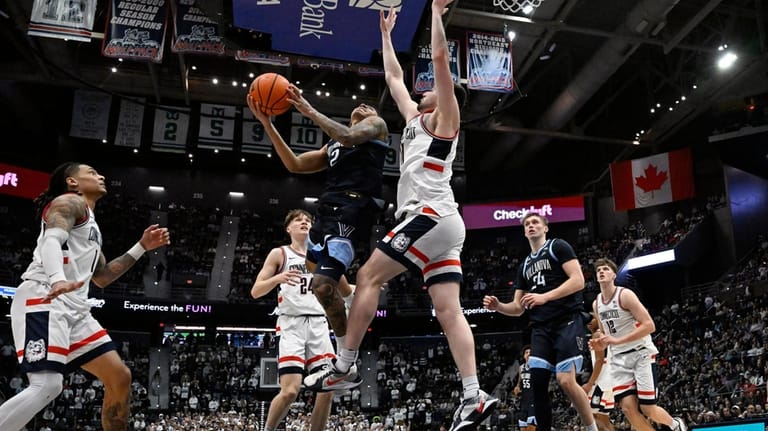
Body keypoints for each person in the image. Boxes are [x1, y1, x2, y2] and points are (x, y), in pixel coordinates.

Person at [304, 2, 498, 430]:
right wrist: (387, 36)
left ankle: (346, 364)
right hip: (443, 227)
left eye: (431, 87)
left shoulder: (447, 116)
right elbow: (393, 77)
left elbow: (443, 59)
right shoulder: (413, 117)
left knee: (370, 276)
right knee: (448, 311)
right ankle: (473, 395)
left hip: (430, 214)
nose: (423, 88)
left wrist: (435, 13)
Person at [0, 162, 170, 431]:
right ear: (72, 183)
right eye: (91, 172)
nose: (100, 175)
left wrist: (141, 247)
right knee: (48, 385)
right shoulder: (69, 203)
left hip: (75, 308)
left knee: (119, 376)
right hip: (44, 295)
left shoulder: (91, 226)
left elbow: (102, 277)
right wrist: (58, 279)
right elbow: (51, 241)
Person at [247, 80, 389, 380]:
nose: (364, 106)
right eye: (359, 106)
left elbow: (350, 136)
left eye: (369, 105)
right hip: (326, 210)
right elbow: (295, 164)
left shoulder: (375, 126)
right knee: (320, 276)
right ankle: (351, 302)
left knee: (322, 284)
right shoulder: (333, 145)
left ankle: (346, 360)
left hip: (354, 208)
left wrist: (307, 108)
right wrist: (267, 123)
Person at [482, 212, 596, 431]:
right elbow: (517, 308)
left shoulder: (558, 246)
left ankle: (592, 429)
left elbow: (579, 281)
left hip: (567, 320)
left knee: (565, 380)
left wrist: (545, 297)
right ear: (524, 232)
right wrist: (498, 307)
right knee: (537, 384)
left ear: (546, 228)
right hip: (541, 327)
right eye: (527, 224)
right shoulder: (524, 265)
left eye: (535, 222)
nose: (531, 225)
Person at [250, 209, 334, 431]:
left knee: (327, 389)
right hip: (291, 323)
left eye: (308, 220)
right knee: (290, 391)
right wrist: (278, 277)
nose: (304, 222)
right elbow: (256, 291)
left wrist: (365, 288)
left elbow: (339, 287)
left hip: (319, 323)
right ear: (288, 228)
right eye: (299, 220)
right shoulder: (279, 253)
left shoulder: (322, 255)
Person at [589, 258, 687, 431]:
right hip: (618, 359)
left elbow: (649, 325)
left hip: (640, 354)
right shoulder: (597, 304)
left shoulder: (625, 295)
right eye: (598, 271)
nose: (601, 272)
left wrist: (616, 341)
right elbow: (607, 334)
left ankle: (676, 425)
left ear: (613, 275)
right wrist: (600, 344)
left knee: (648, 409)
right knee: (628, 409)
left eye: (605, 269)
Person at [583, 317, 614, 431]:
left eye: (592, 318)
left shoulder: (597, 335)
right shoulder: (606, 333)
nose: (589, 321)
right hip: (609, 381)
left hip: (602, 381)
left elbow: (599, 361)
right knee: (603, 417)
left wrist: (590, 383)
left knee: (590, 414)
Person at [515, 345, 536, 431]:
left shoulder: (536, 367)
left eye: (530, 353)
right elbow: (519, 384)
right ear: (524, 356)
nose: (528, 354)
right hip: (523, 401)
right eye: (526, 352)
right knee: (523, 428)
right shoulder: (521, 368)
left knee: (531, 427)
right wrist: (517, 388)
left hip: (533, 400)